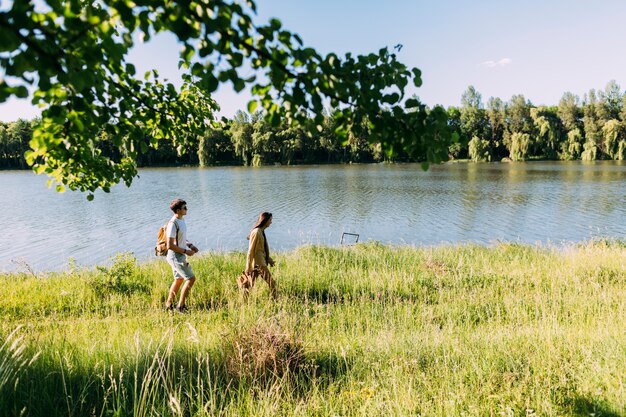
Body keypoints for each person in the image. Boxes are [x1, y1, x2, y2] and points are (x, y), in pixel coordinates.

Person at [164, 198, 199, 313]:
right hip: (175, 256)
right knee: (190, 278)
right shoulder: (173, 224)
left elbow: (181, 238)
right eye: (184, 208)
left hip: (179, 254)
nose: (187, 209)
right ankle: (181, 306)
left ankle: (168, 305)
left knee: (178, 280)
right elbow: (169, 245)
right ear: (178, 210)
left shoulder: (181, 220)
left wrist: (190, 245)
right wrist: (186, 251)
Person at [239, 211, 276, 298]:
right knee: (271, 282)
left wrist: (269, 260)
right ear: (265, 220)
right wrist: (248, 267)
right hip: (258, 264)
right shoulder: (256, 232)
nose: (271, 222)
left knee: (249, 285)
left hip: (259, 263)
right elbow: (251, 251)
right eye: (270, 220)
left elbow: (261, 250)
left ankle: (244, 301)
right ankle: (275, 299)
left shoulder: (261, 231)